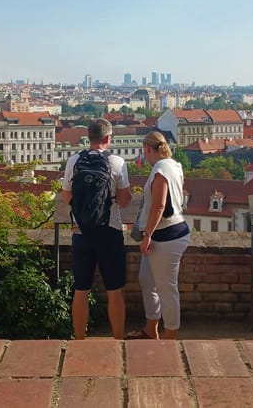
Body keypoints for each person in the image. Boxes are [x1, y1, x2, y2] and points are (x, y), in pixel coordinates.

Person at [61, 119, 133, 340]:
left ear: (88, 137)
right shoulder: (117, 162)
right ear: (108, 138)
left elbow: (67, 196)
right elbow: (124, 200)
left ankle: (80, 340)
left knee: (81, 289)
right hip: (109, 231)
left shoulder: (74, 161)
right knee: (114, 290)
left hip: (81, 232)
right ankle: (118, 339)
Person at [127, 131, 190, 340]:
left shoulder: (160, 169)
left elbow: (159, 205)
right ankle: (150, 328)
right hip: (168, 232)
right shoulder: (173, 164)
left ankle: (170, 335)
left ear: (147, 149)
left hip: (166, 235)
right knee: (147, 279)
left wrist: (147, 235)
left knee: (166, 289)